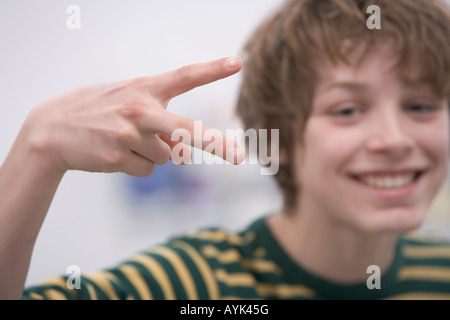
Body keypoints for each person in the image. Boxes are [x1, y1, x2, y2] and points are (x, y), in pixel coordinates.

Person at [1, 0, 450, 300]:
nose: (394, 139)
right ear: (280, 138)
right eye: (348, 110)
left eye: (420, 105)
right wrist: (36, 150)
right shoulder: (196, 284)